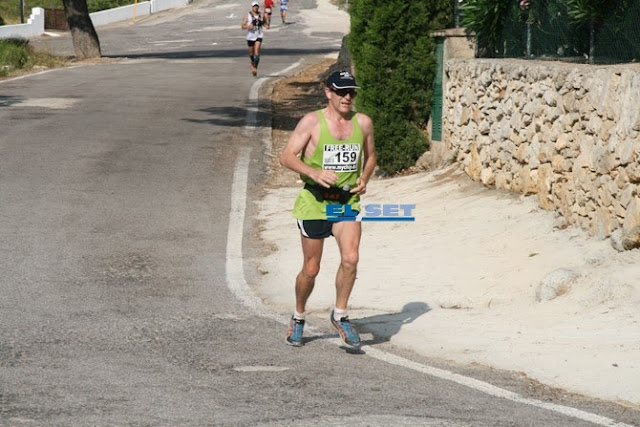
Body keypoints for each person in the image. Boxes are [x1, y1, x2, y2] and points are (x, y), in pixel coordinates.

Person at [279, 70, 377, 349]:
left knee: (351, 258)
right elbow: (286, 156)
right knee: (311, 268)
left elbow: (371, 156)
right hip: (315, 202)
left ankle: (340, 315)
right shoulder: (312, 122)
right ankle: (299, 315)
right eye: (341, 91)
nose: (347, 97)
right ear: (328, 92)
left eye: (351, 92)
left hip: (345, 203)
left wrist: (364, 178)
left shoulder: (363, 123)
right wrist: (314, 172)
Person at [241, 1, 268, 76]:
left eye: (257, 6)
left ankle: (255, 68)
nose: (255, 7)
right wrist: (248, 26)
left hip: (259, 35)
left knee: (257, 51)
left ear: (258, 7)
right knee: (251, 53)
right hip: (250, 36)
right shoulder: (248, 15)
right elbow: (242, 25)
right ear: (252, 7)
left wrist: (266, 24)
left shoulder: (261, 15)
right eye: (254, 6)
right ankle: (252, 62)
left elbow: (263, 23)